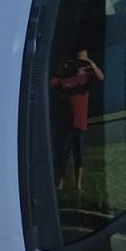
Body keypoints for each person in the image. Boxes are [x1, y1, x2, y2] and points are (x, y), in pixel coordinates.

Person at [49, 47, 103, 191]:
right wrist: (65, 68)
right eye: (79, 63)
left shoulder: (86, 79)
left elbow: (100, 77)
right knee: (64, 154)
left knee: (79, 155)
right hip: (67, 123)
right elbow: (53, 83)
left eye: (83, 64)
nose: (81, 67)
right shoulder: (66, 79)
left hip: (80, 123)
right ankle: (60, 181)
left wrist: (91, 64)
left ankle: (78, 184)